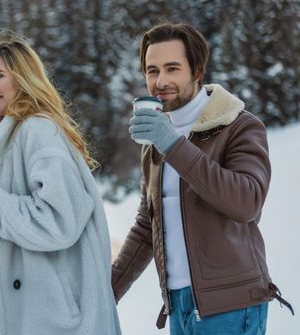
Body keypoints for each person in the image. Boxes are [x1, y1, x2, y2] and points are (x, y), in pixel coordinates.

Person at [0, 31, 122, 335]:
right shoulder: (0, 145)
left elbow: (61, 221)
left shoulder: (39, 131)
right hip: (26, 316)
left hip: (56, 318)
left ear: (22, 79)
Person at [111, 22, 293, 334]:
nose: (161, 80)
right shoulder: (156, 142)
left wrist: (173, 144)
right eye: (152, 71)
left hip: (231, 306)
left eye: (172, 68)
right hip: (180, 307)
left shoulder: (238, 126)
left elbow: (246, 202)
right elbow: (147, 227)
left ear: (197, 71)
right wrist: (104, 295)